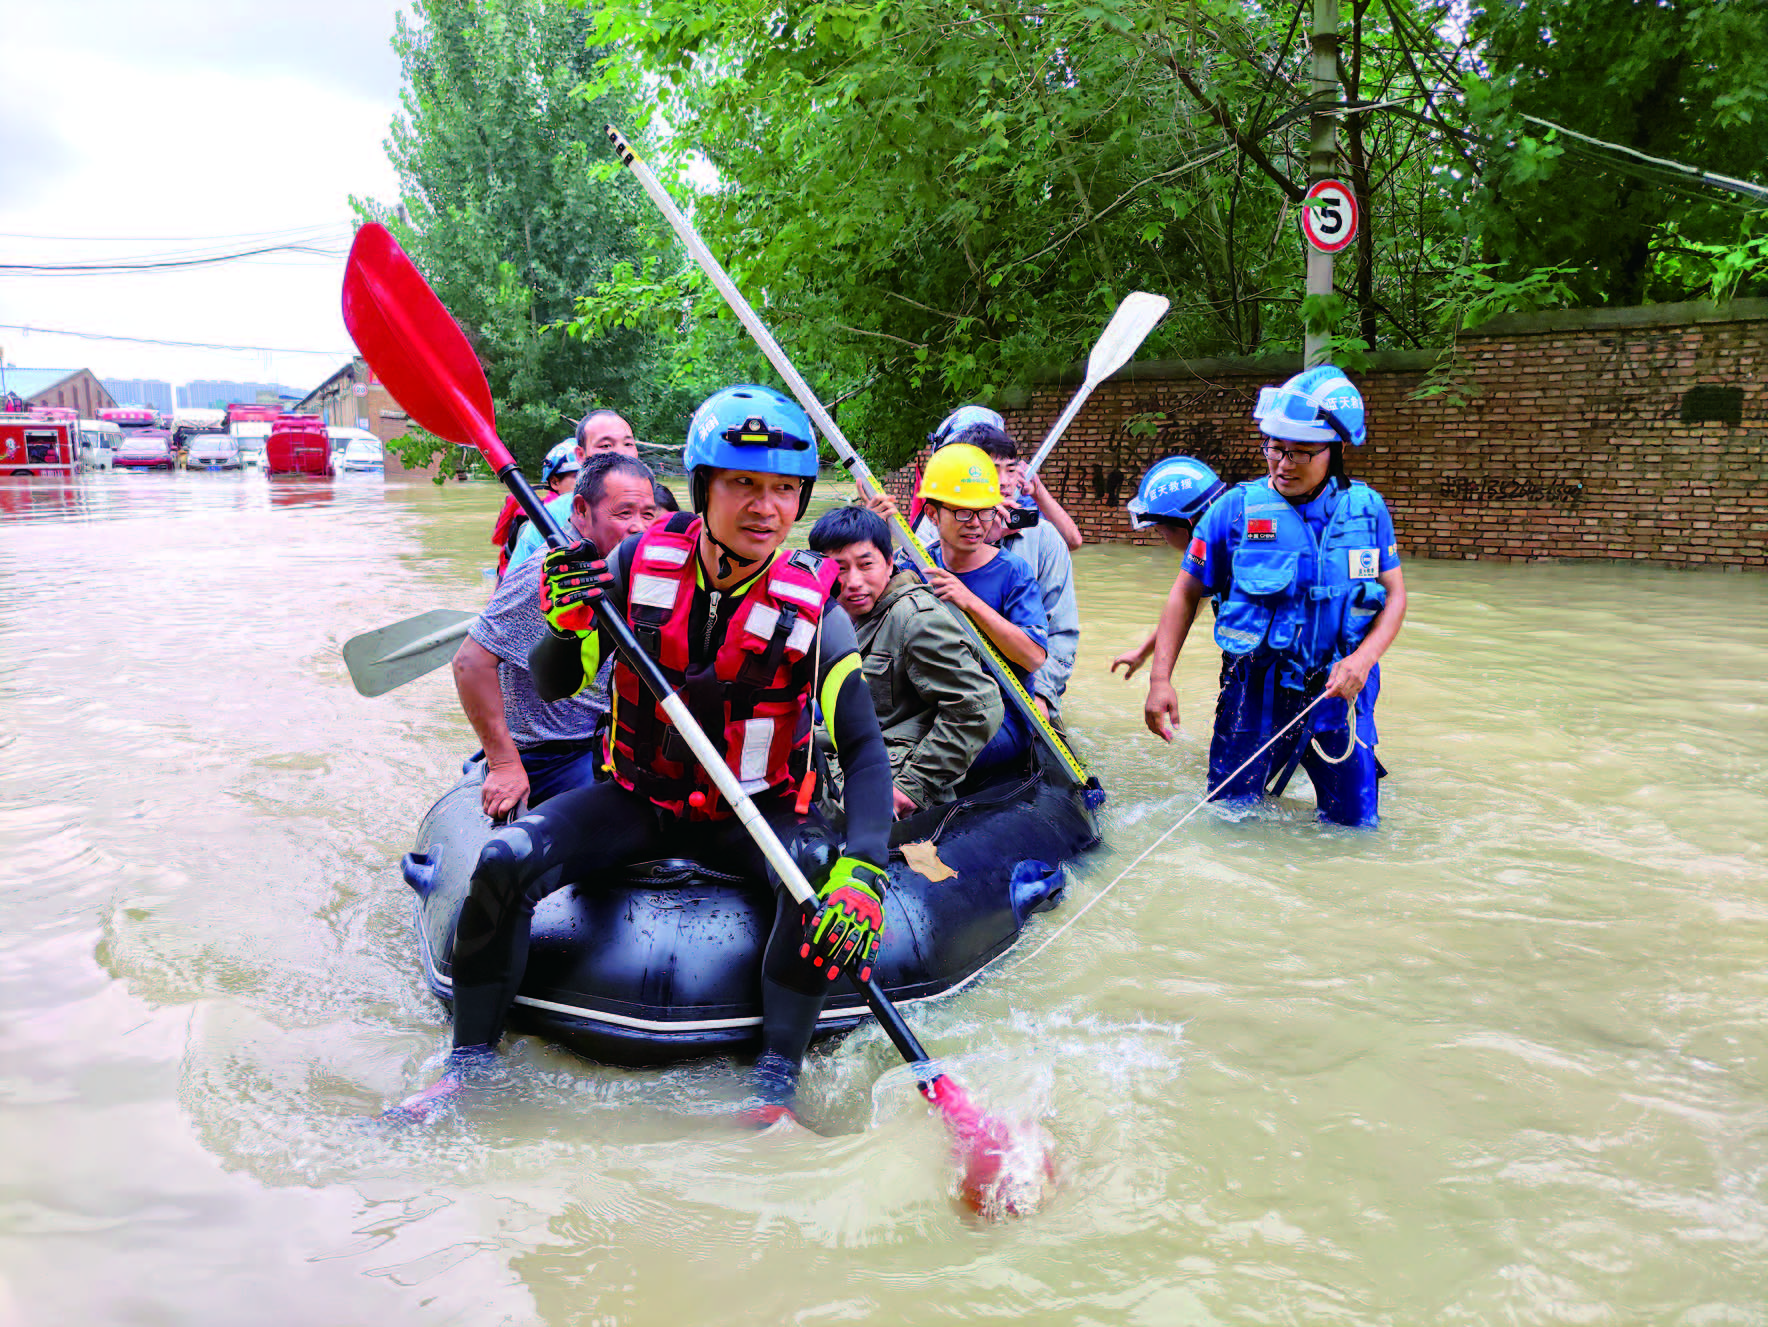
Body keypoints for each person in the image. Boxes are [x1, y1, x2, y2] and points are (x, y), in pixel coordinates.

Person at [389, 385, 893, 1128]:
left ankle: (776, 1086)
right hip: (641, 798)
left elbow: (864, 749)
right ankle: (467, 1072)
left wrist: (868, 866)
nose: (766, 508)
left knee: (819, 880)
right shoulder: (634, 564)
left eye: (784, 489)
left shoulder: (815, 606)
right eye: (743, 485)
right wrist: (564, 623)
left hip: (756, 810)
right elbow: (560, 678)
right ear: (702, 487)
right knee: (501, 863)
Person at [1140, 366, 1407, 828]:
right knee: (1229, 821)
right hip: (1253, 695)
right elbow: (1185, 593)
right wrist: (1159, 679)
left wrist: (1363, 660)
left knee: (1355, 830)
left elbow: (1395, 597)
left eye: (1299, 452)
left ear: (1336, 450)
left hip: (1338, 696)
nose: (1282, 463)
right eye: (1274, 447)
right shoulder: (1233, 511)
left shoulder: (1368, 510)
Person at [453, 452, 658, 818]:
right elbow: (470, 662)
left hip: (611, 739)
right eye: (623, 513)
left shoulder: (637, 567)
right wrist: (503, 765)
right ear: (581, 510)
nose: (639, 528)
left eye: (648, 515)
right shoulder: (548, 575)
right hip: (555, 754)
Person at [807, 505, 1003, 818]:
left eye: (866, 564)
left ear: (888, 563)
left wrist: (912, 786)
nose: (854, 581)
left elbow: (979, 707)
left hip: (890, 774)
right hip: (842, 752)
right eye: (840, 568)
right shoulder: (832, 617)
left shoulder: (915, 619)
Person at [917, 443, 1049, 772]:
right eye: (962, 511)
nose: (976, 523)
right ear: (933, 514)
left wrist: (969, 601)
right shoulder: (916, 565)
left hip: (998, 715)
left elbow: (1033, 656)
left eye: (985, 511)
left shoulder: (1013, 572)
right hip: (932, 704)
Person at [942, 423, 1079, 723]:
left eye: (1010, 470)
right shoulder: (939, 532)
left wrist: (1042, 694)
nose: (1004, 483)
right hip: (954, 687)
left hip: (1024, 688)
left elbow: (1061, 632)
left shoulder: (1043, 538)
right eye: (992, 470)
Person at [1109, 455, 1228, 680]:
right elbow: (1184, 610)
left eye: (1159, 531)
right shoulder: (1222, 549)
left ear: (1187, 525)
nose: (1162, 537)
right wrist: (1142, 653)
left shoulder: (1218, 558)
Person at [921, 404, 1084, 548]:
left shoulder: (1021, 507)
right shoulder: (941, 517)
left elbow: (1072, 541)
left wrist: (1039, 491)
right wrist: (983, 540)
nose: (1004, 482)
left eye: (1010, 470)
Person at [507, 447, 650, 571]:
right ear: (555, 482)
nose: (582, 481)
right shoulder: (545, 516)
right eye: (577, 476)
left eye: (647, 514)